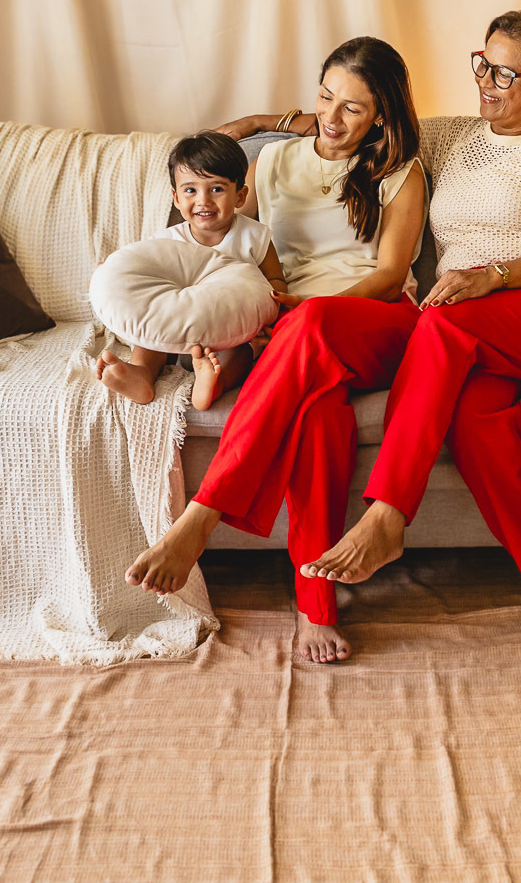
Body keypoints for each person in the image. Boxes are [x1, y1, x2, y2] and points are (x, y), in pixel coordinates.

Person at [300, 10, 521, 666]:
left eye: (504, 72)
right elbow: (357, 113)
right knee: (475, 424)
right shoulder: (451, 139)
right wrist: (252, 126)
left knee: (436, 323)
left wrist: (489, 276)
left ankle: (388, 513)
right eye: (483, 64)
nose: (487, 83)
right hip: (476, 329)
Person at [124, 38, 427, 664]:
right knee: (319, 414)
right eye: (325, 98)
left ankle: (202, 517)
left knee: (312, 322)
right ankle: (315, 604)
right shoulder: (272, 162)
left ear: (383, 116)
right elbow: (202, 162)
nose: (334, 118)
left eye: (354, 108)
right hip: (292, 331)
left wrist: (302, 310)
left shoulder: (397, 170)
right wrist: (265, 123)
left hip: (374, 322)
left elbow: (394, 273)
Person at [94, 131, 285, 410]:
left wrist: (271, 315)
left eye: (217, 189)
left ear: (240, 195)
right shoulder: (167, 242)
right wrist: (107, 274)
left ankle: (213, 383)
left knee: (243, 354)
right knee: (150, 337)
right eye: (190, 190)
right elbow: (139, 276)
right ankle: (141, 374)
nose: (203, 200)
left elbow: (276, 279)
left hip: (226, 337)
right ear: (176, 198)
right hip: (173, 335)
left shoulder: (254, 236)